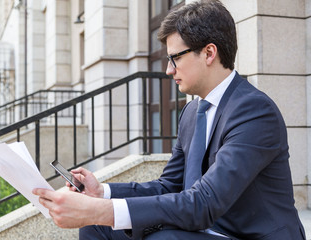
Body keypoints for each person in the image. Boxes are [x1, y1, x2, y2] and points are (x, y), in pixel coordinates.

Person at [33, 0, 306, 239]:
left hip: (245, 235)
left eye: (175, 58)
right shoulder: (191, 113)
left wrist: (104, 211)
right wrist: (102, 193)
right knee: (96, 227)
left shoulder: (254, 112)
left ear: (209, 53)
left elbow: (204, 202)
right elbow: (168, 186)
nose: (167, 70)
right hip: (202, 230)